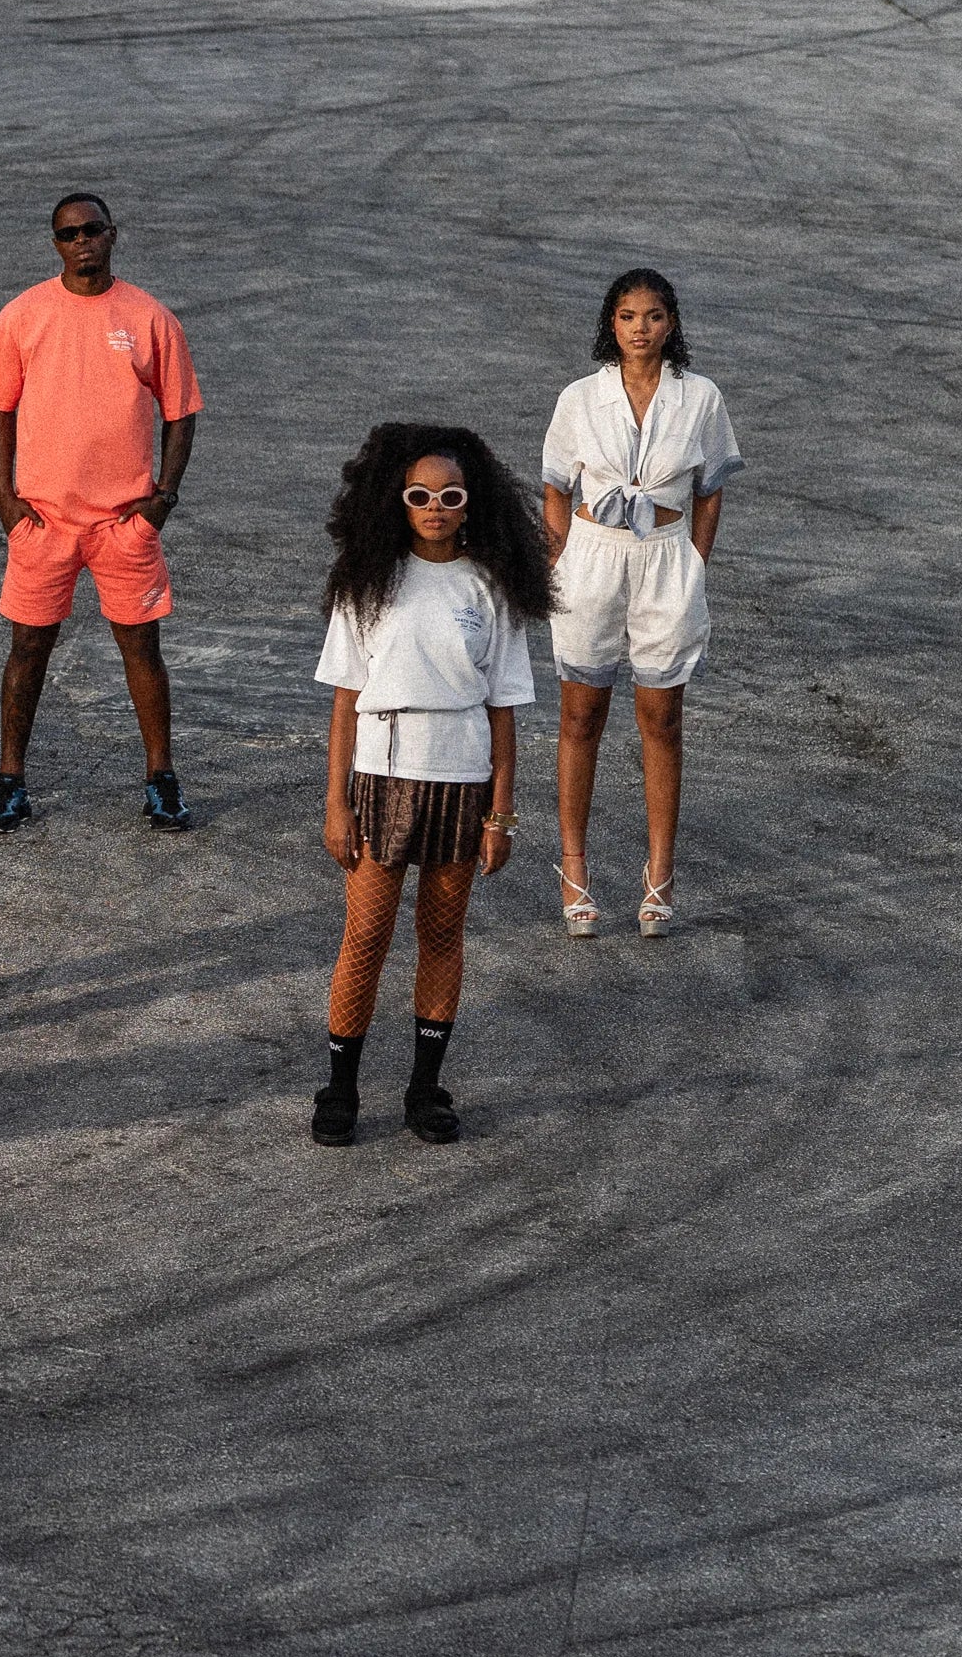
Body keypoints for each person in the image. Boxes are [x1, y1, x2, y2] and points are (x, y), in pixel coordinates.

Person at [311, 424, 550, 1147]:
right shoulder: (367, 581)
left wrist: (501, 813)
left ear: (473, 502)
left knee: (442, 935)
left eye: (451, 496)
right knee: (367, 935)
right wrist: (336, 803)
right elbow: (345, 701)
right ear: (397, 499)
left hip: (461, 778)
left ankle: (425, 1089)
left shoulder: (491, 587)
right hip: (382, 776)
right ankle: (341, 1088)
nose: (435, 509)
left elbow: (504, 707)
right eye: (420, 496)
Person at [0, 192, 204, 836]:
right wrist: (6, 502)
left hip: (123, 524)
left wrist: (162, 500)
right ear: (56, 244)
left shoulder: (150, 317)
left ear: (112, 234)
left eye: (92, 230)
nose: (82, 241)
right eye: (69, 234)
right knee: (27, 648)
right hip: (43, 523)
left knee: (142, 649)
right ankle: (10, 782)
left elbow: (181, 410)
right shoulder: (22, 316)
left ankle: (161, 780)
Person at [540, 270, 741, 939]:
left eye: (653, 316)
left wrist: (695, 561)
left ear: (670, 323)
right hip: (592, 561)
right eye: (628, 316)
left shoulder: (700, 398)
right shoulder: (579, 397)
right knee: (581, 715)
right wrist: (561, 559)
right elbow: (556, 489)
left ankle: (661, 872)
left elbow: (710, 488)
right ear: (612, 323)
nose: (641, 328)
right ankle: (574, 868)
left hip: (666, 558)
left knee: (662, 717)